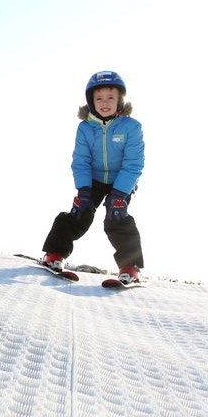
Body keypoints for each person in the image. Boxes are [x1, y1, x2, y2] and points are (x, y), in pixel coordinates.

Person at [41, 70, 145, 283]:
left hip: (121, 180)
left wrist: (120, 193)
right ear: (91, 101)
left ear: (120, 100)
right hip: (93, 179)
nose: (104, 103)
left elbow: (134, 163)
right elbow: (80, 161)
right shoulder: (85, 128)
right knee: (80, 212)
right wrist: (84, 190)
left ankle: (130, 267)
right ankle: (54, 254)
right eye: (99, 99)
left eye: (110, 98)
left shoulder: (132, 127)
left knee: (117, 217)